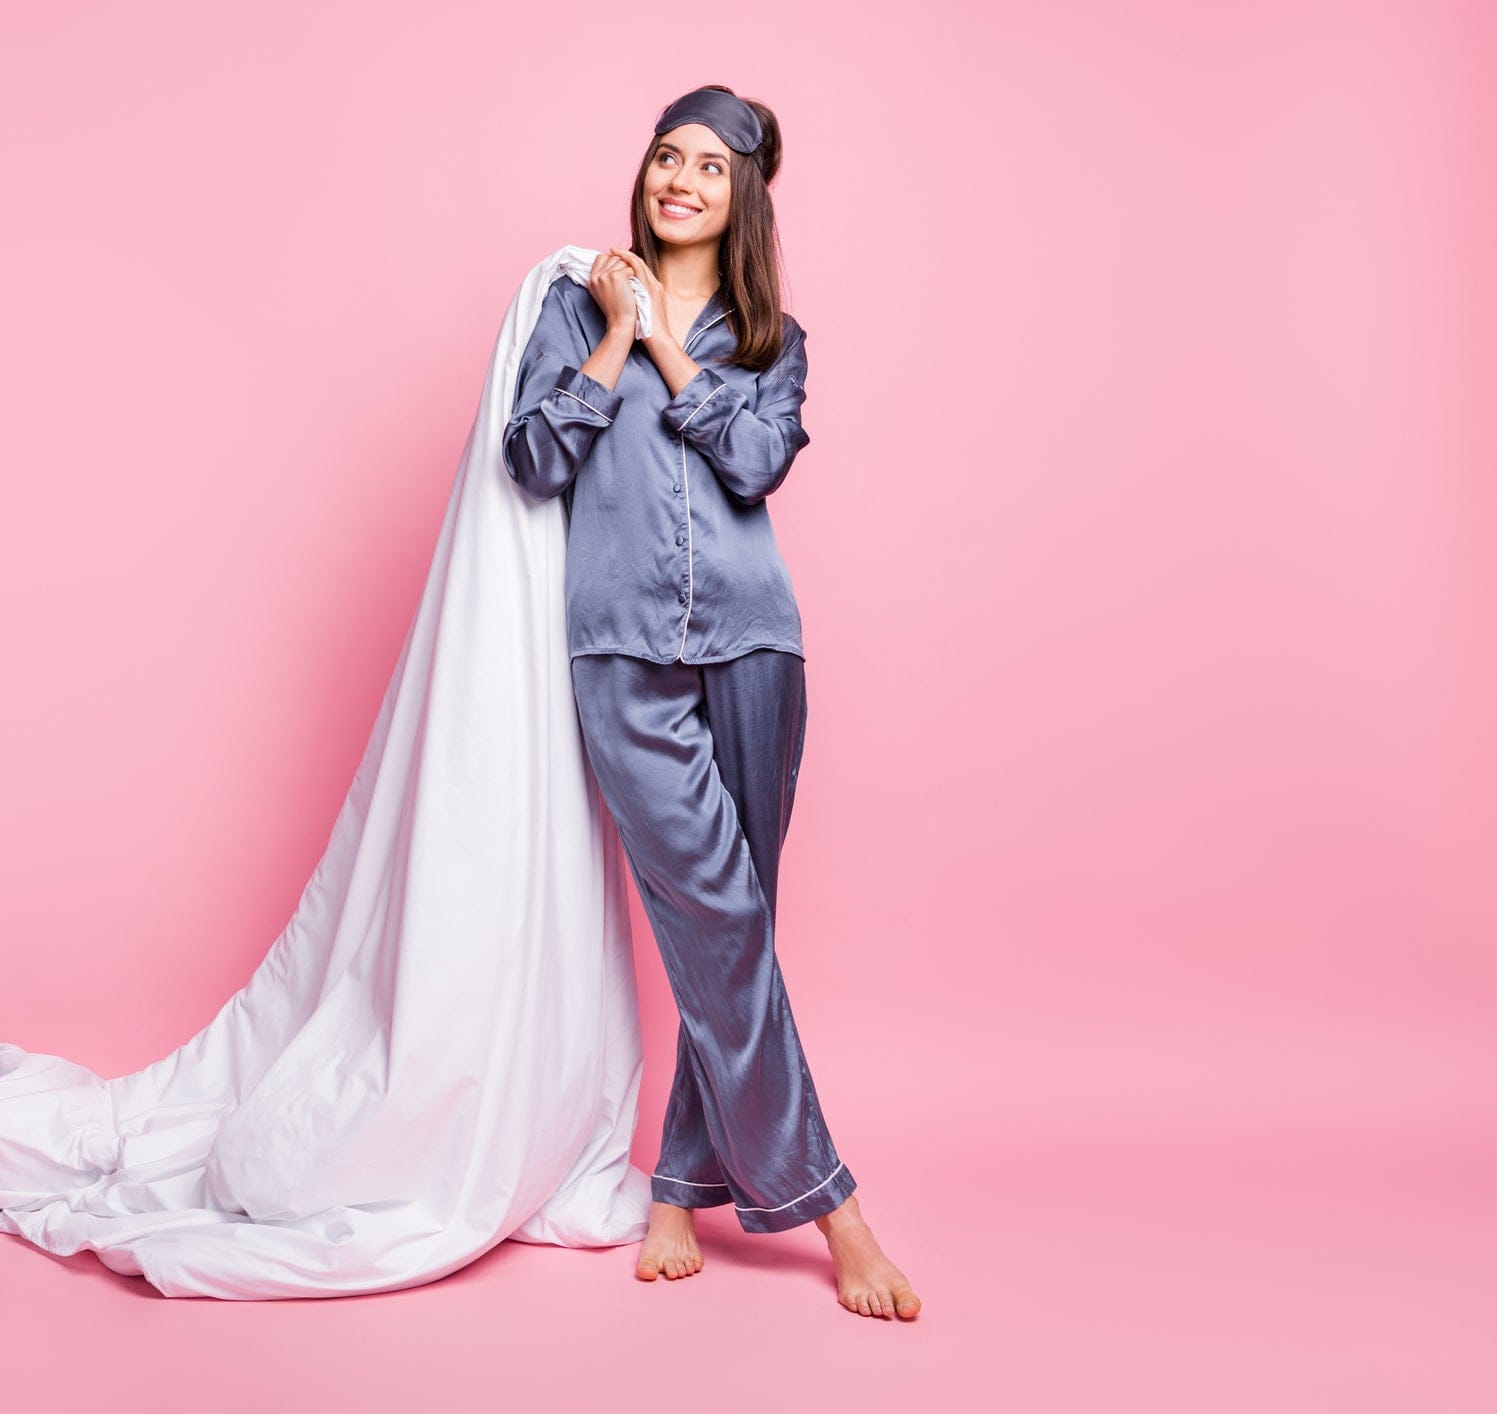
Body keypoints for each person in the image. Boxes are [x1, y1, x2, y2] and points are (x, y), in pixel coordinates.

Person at [501, 84, 921, 1319]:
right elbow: (532, 458)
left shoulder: (774, 338)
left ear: (741, 197)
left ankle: (679, 1186)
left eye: (708, 168)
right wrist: (617, 337)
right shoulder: (570, 304)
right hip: (621, 654)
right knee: (722, 926)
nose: (679, 179)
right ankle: (837, 1210)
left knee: (730, 934)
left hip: (754, 652)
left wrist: (672, 343)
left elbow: (750, 460)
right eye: (665, 157)